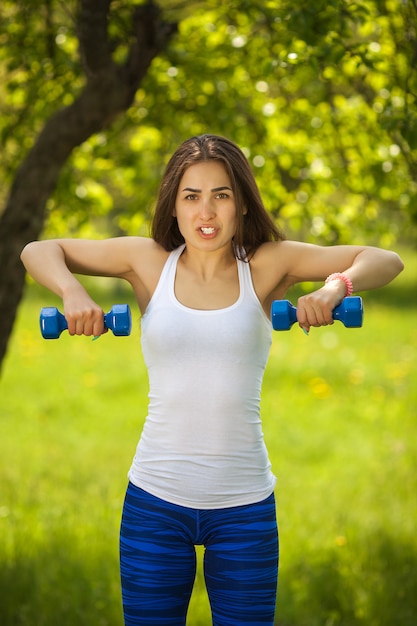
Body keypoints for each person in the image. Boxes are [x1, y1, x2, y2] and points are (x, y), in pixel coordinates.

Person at [21, 134, 404, 626]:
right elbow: (38, 249)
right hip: (155, 502)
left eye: (221, 195)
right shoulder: (147, 262)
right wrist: (73, 292)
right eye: (192, 196)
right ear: (174, 207)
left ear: (242, 204)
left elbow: (385, 260)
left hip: (244, 508)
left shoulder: (268, 265)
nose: (207, 212)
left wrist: (334, 288)